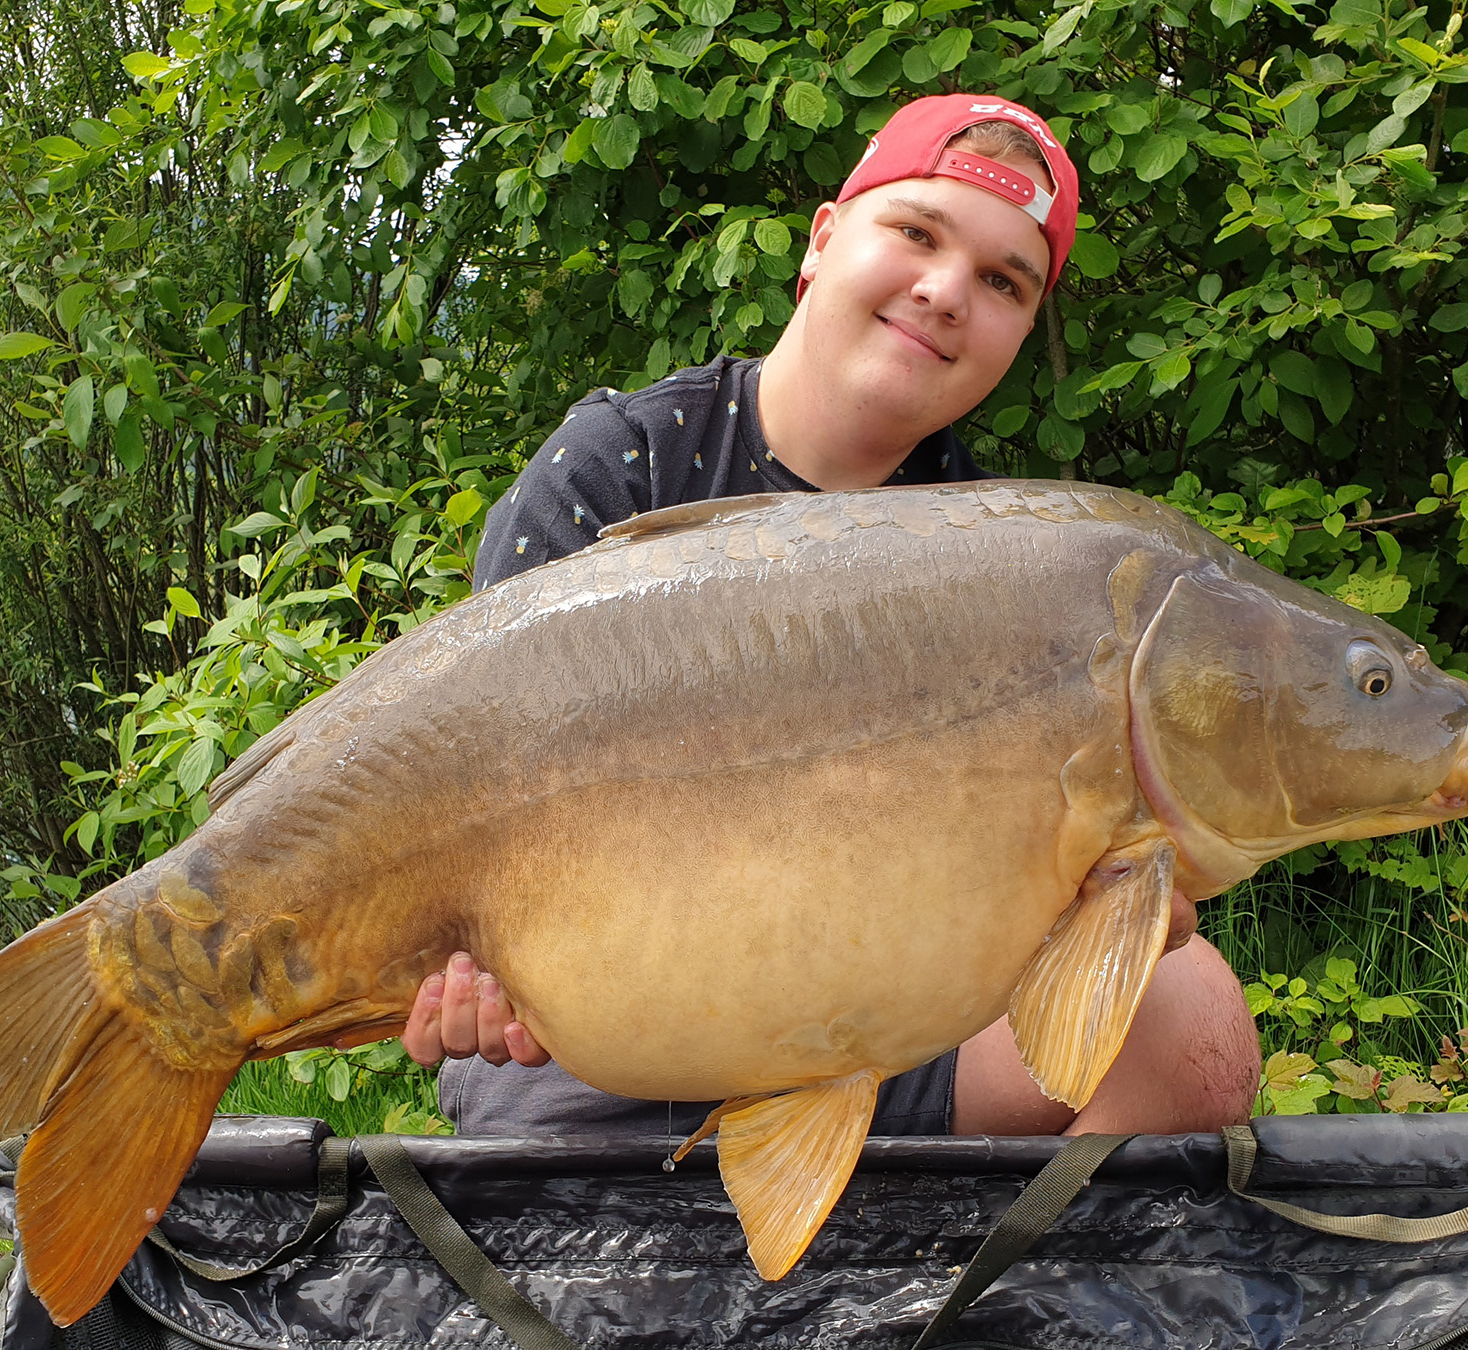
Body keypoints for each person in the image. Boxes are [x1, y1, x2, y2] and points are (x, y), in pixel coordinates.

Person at [401, 94, 1261, 1139]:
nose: (946, 292)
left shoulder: (1003, 560)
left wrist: (1103, 917)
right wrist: (468, 964)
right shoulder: (621, 463)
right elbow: (467, 789)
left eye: (1003, 282)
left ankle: (995, 1253)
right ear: (821, 240)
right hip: (605, 1035)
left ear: (1021, 334)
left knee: (1190, 1017)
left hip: (878, 1021)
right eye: (917, 233)